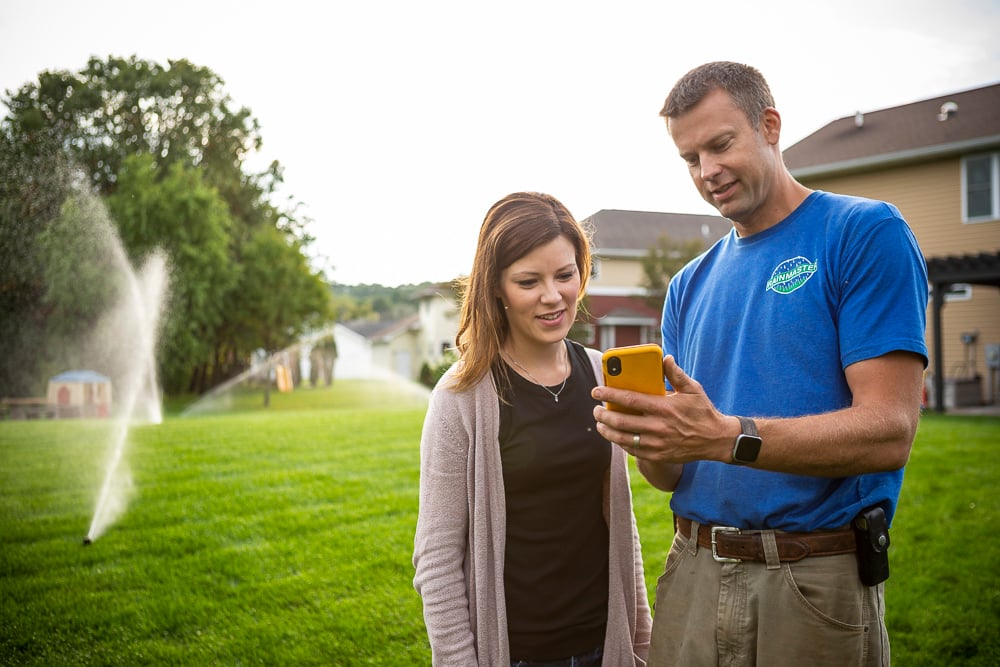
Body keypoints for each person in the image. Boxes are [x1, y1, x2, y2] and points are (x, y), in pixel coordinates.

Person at [591, 62, 928, 665]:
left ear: (769, 126)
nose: (707, 172)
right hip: (691, 571)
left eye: (721, 145)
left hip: (810, 579)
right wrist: (653, 439)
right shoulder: (688, 285)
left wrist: (725, 436)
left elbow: (889, 431)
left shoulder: (862, 233)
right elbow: (670, 478)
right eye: (690, 159)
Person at [413, 192, 652, 666]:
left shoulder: (603, 376)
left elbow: (622, 529)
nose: (552, 296)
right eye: (528, 281)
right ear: (495, 287)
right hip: (517, 653)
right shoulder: (461, 397)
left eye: (565, 275)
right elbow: (436, 561)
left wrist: (640, 639)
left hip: (604, 647)